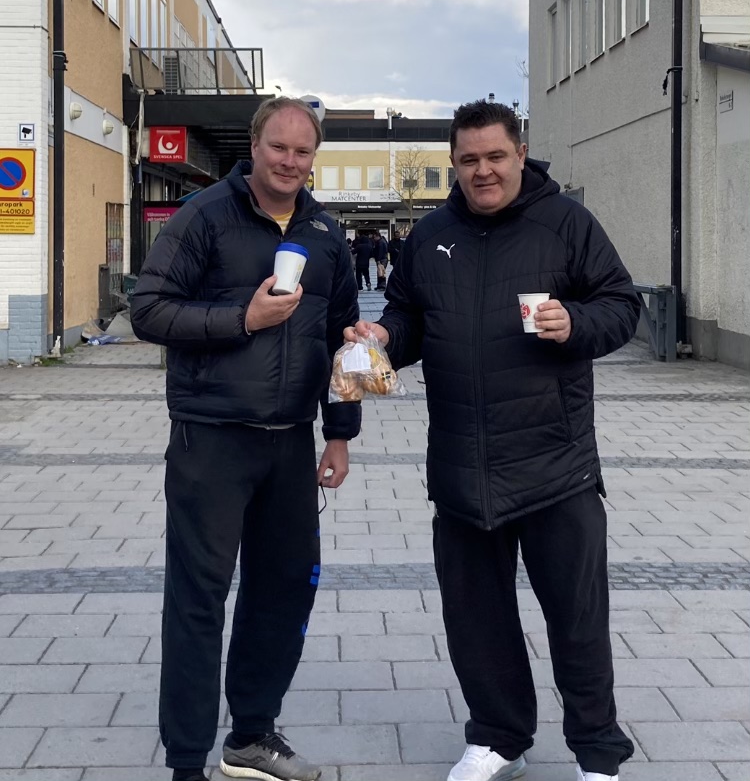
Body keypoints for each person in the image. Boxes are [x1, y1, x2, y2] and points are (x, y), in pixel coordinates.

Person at [346, 100, 639, 781]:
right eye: (469, 160)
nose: (483, 171)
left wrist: (578, 323)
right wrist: (385, 338)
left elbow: (621, 304)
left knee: (577, 620)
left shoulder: (566, 223)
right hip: (461, 467)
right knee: (477, 621)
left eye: (495, 157)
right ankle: (500, 736)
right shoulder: (432, 234)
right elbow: (410, 315)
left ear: (519, 152)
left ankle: (597, 753)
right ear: (454, 163)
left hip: (554, 465)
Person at [131, 97, 361, 781]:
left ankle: (251, 738)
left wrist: (340, 433)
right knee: (200, 597)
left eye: (303, 151)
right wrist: (243, 317)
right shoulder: (205, 215)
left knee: (286, 588)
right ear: (254, 146)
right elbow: (148, 310)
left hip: (290, 442)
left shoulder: (324, 231)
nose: (290, 161)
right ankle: (185, 762)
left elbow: (341, 335)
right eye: (278, 147)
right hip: (213, 440)